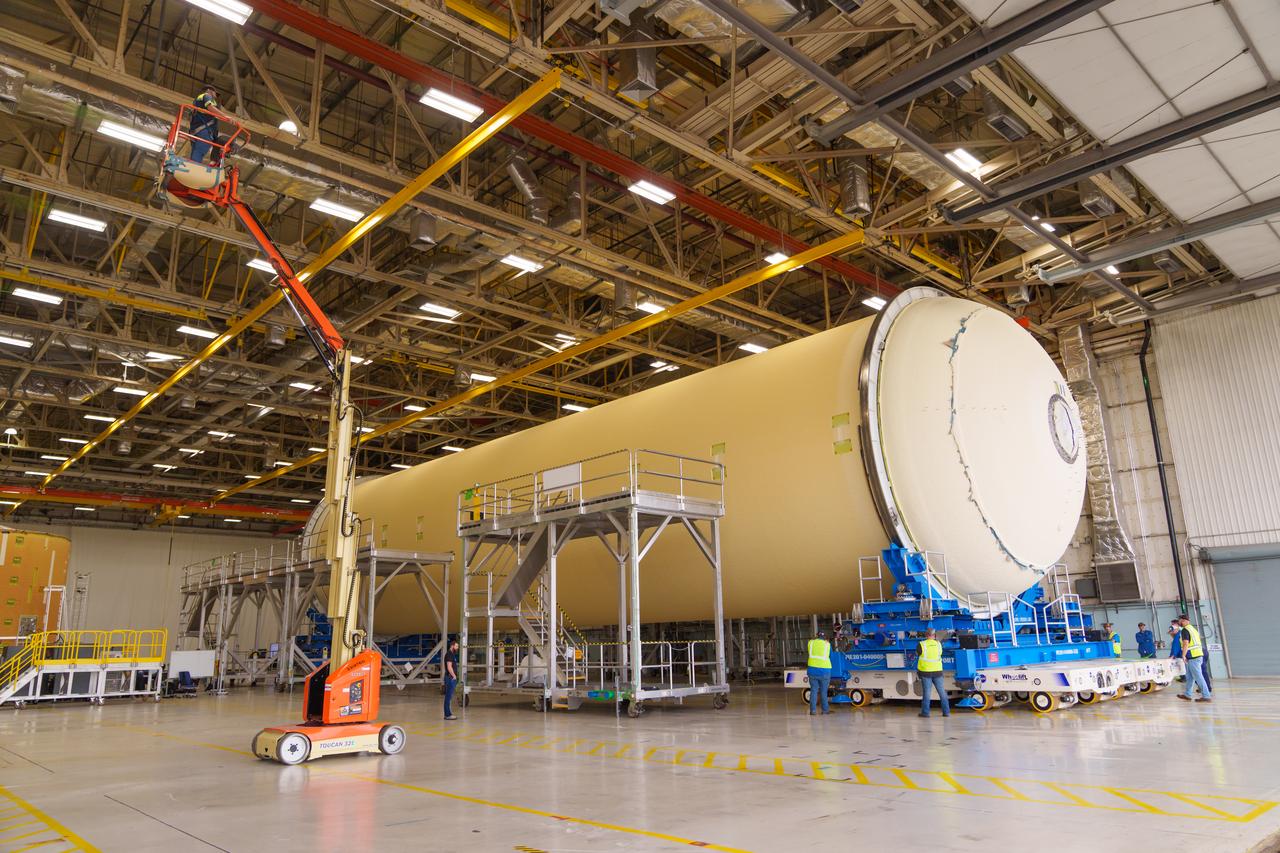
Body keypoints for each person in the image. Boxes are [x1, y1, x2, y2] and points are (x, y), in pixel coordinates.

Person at [189, 85, 230, 164]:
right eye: (215, 93)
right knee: (200, 151)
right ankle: (194, 167)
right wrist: (226, 117)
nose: (215, 96)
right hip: (204, 131)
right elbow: (210, 107)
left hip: (197, 130)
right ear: (209, 90)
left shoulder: (198, 100)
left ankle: (212, 162)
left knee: (197, 151)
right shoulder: (207, 96)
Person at [1176, 615, 1211, 703]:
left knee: (1198, 677)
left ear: (1183, 620)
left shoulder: (1185, 630)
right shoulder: (1192, 629)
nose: (1179, 622)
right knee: (1190, 677)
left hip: (1193, 656)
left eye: (1179, 620)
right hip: (1196, 655)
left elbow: (1185, 644)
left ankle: (1206, 696)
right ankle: (1187, 694)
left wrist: (1183, 655)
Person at [916, 628, 949, 718]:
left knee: (927, 693)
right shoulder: (938, 644)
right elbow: (940, 654)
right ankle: (946, 712)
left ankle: (925, 713)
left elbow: (918, 654)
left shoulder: (921, 644)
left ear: (926, 635)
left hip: (925, 672)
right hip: (938, 672)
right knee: (942, 692)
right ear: (934, 635)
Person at [806, 630, 832, 716]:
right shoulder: (827, 644)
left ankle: (813, 711)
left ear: (817, 635)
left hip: (812, 670)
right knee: (823, 692)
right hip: (824, 671)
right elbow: (831, 655)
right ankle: (825, 710)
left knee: (813, 690)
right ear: (824, 637)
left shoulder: (811, 643)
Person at [443, 637, 460, 720]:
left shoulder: (451, 654)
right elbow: (449, 667)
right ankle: (448, 715)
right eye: (456, 646)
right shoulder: (449, 654)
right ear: (452, 646)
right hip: (450, 678)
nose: (457, 648)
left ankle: (448, 714)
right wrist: (454, 676)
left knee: (449, 697)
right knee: (448, 697)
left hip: (450, 678)